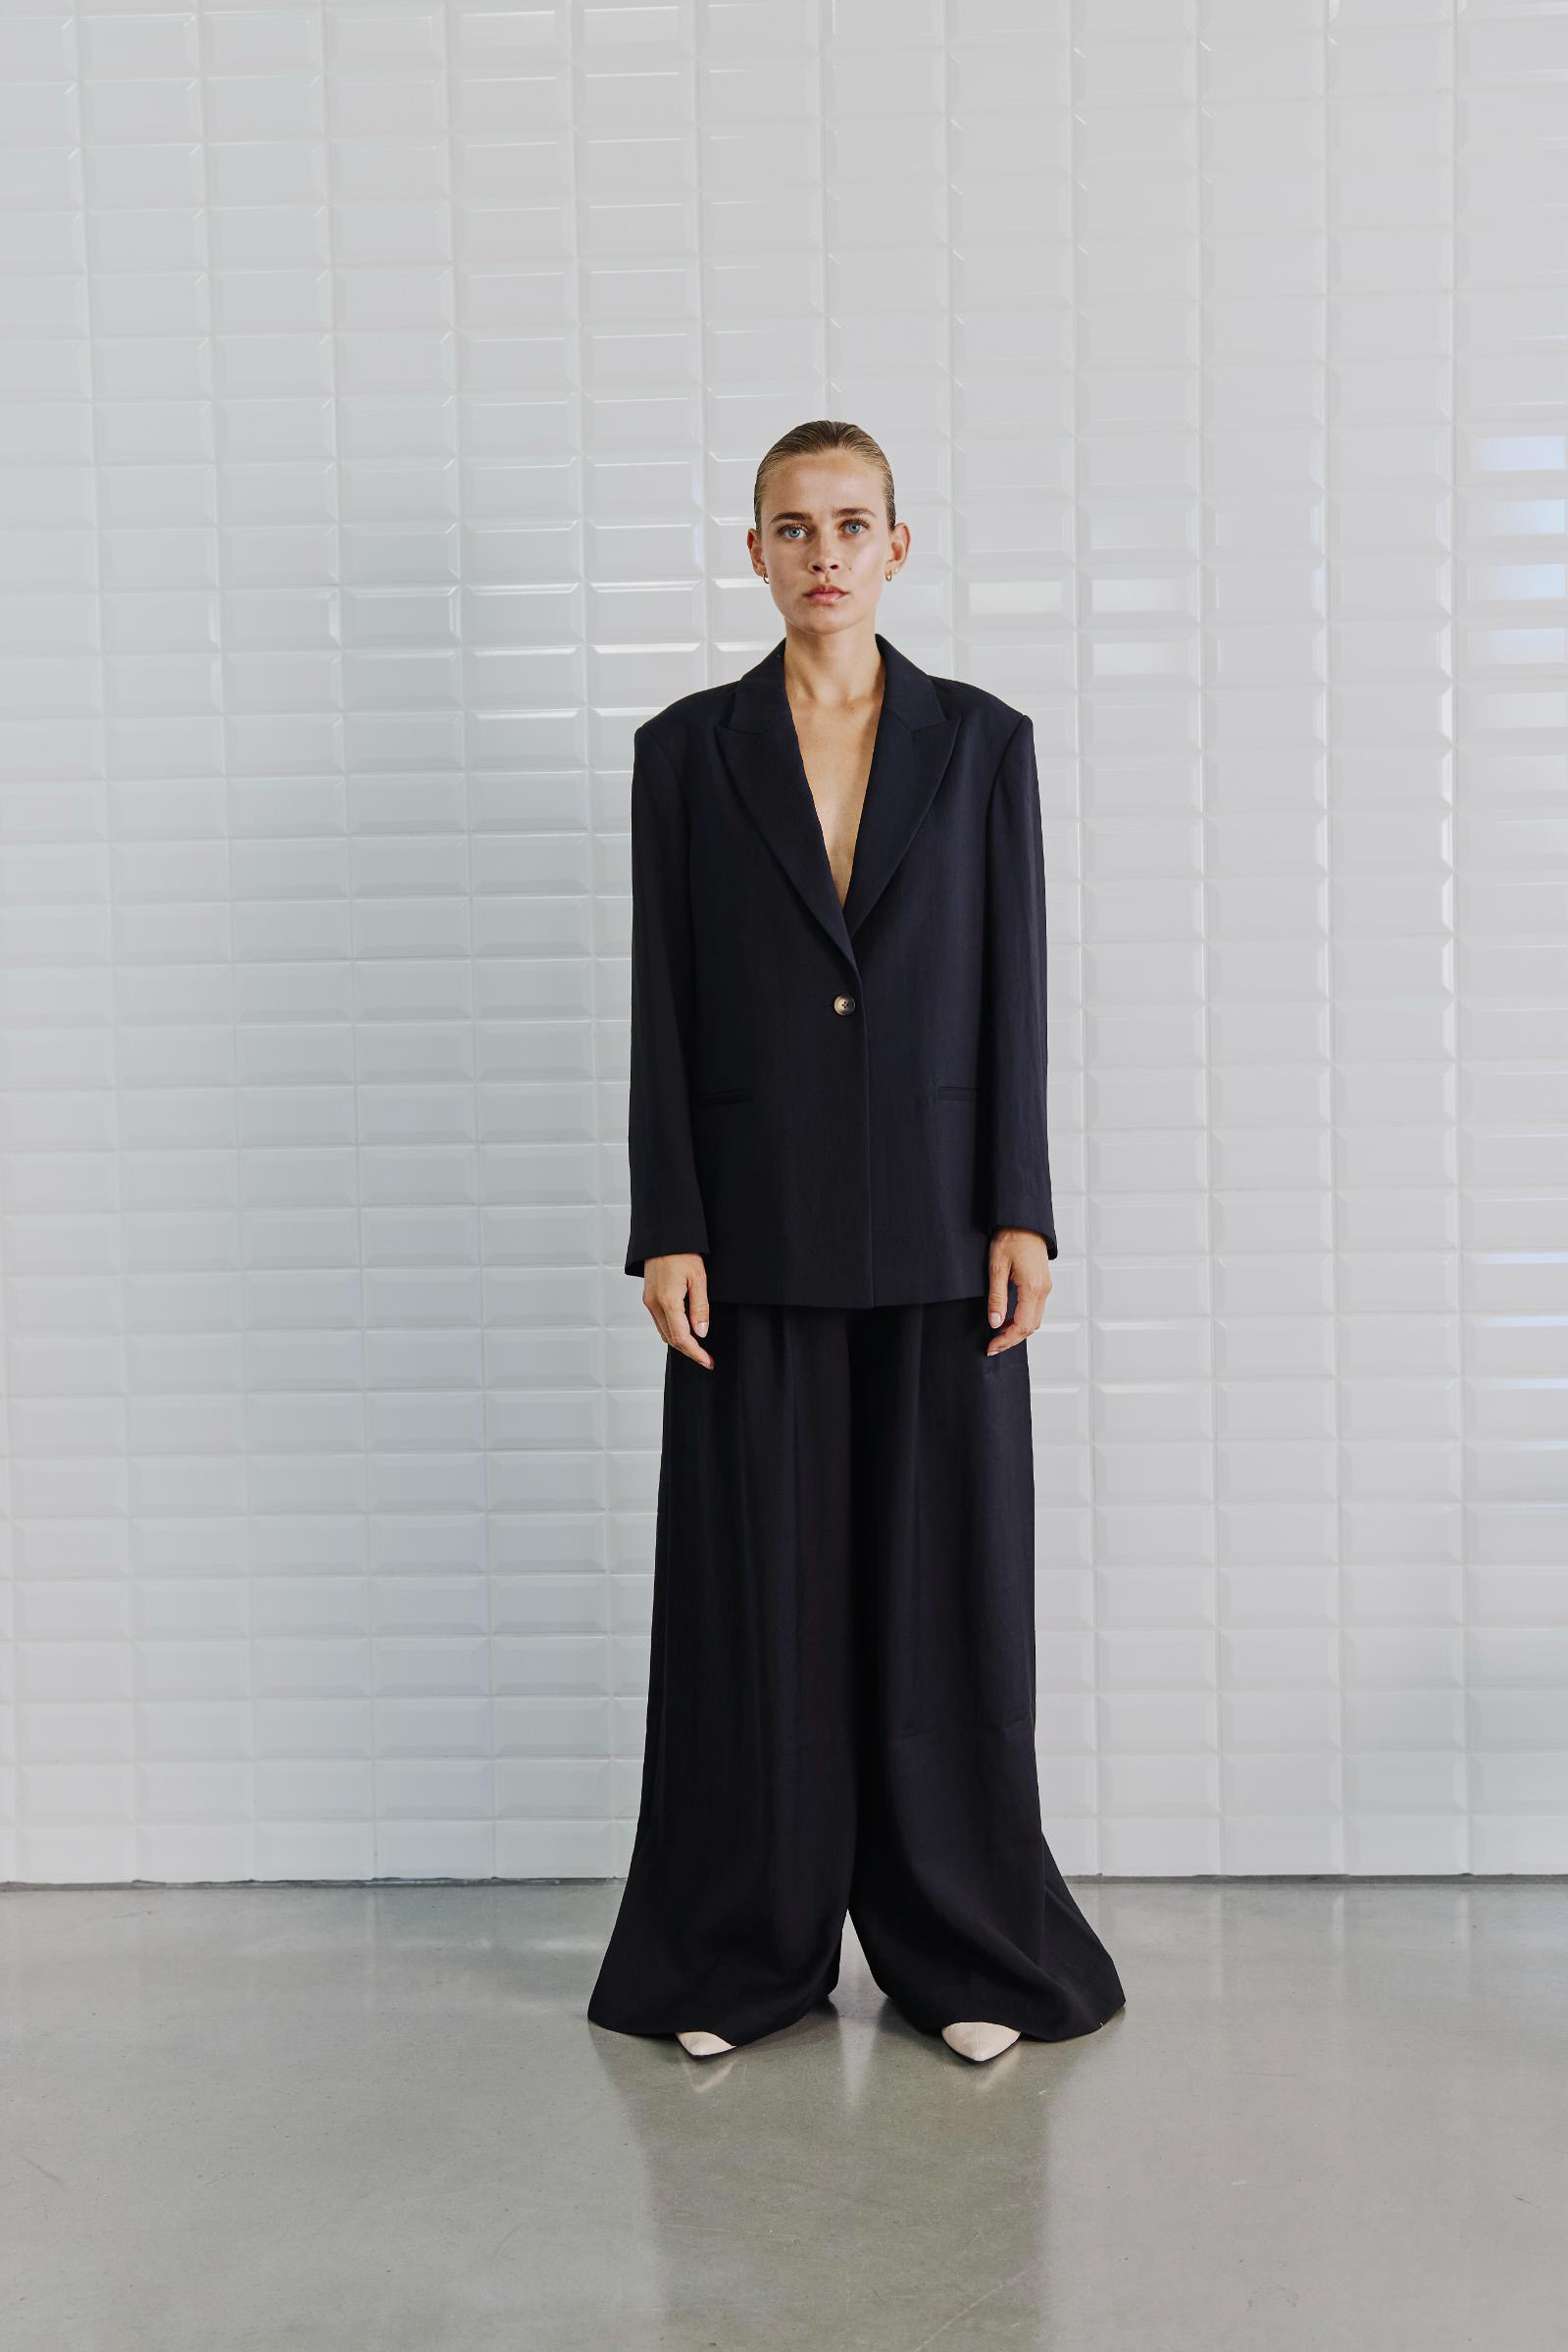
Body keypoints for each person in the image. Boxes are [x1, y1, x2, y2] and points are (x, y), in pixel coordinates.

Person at [586, 420, 1127, 2064]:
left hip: (944, 1227)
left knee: (942, 1600)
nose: (823, 553)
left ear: (901, 544)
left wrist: (1022, 1203)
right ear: (752, 551)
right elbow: (664, 1001)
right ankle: (739, 1953)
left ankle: (966, 1951)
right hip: (750, 1234)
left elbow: (1014, 982)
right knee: (756, 1605)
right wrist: (668, 1221)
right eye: (792, 526)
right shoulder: (687, 753)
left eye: (850, 524)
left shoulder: (982, 743)